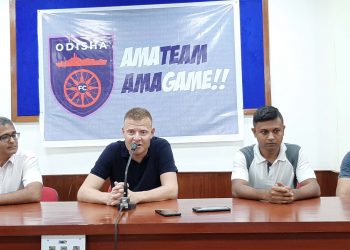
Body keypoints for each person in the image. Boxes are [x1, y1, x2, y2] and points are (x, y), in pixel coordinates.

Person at [77, 107, 178, 206]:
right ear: (123, 132)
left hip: (155, 213)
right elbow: (83, 192)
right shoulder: (113, 150)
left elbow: (172, 190)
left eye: (143, 132)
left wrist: (136, 197)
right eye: (131, 132)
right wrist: (109, 197)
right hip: (123, 216)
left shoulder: (161, 147)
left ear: (152, 133)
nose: (137, 138)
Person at [231, 106, 320, 203]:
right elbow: (237, 188)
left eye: (276, 131)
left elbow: (314, 187)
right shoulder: (243, 155)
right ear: (254, 132)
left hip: (287, 212)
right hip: (254, 213)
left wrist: (290, 194)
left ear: (283, 129)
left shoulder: (296, 152)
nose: (271, 137)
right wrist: (267, 195)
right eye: (264, 132)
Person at [0, 117, 42, 205]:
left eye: (14, 135)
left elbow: (34, 193)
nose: (12, 141)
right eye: (5, 137)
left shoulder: (27, 158)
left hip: (17, 215)